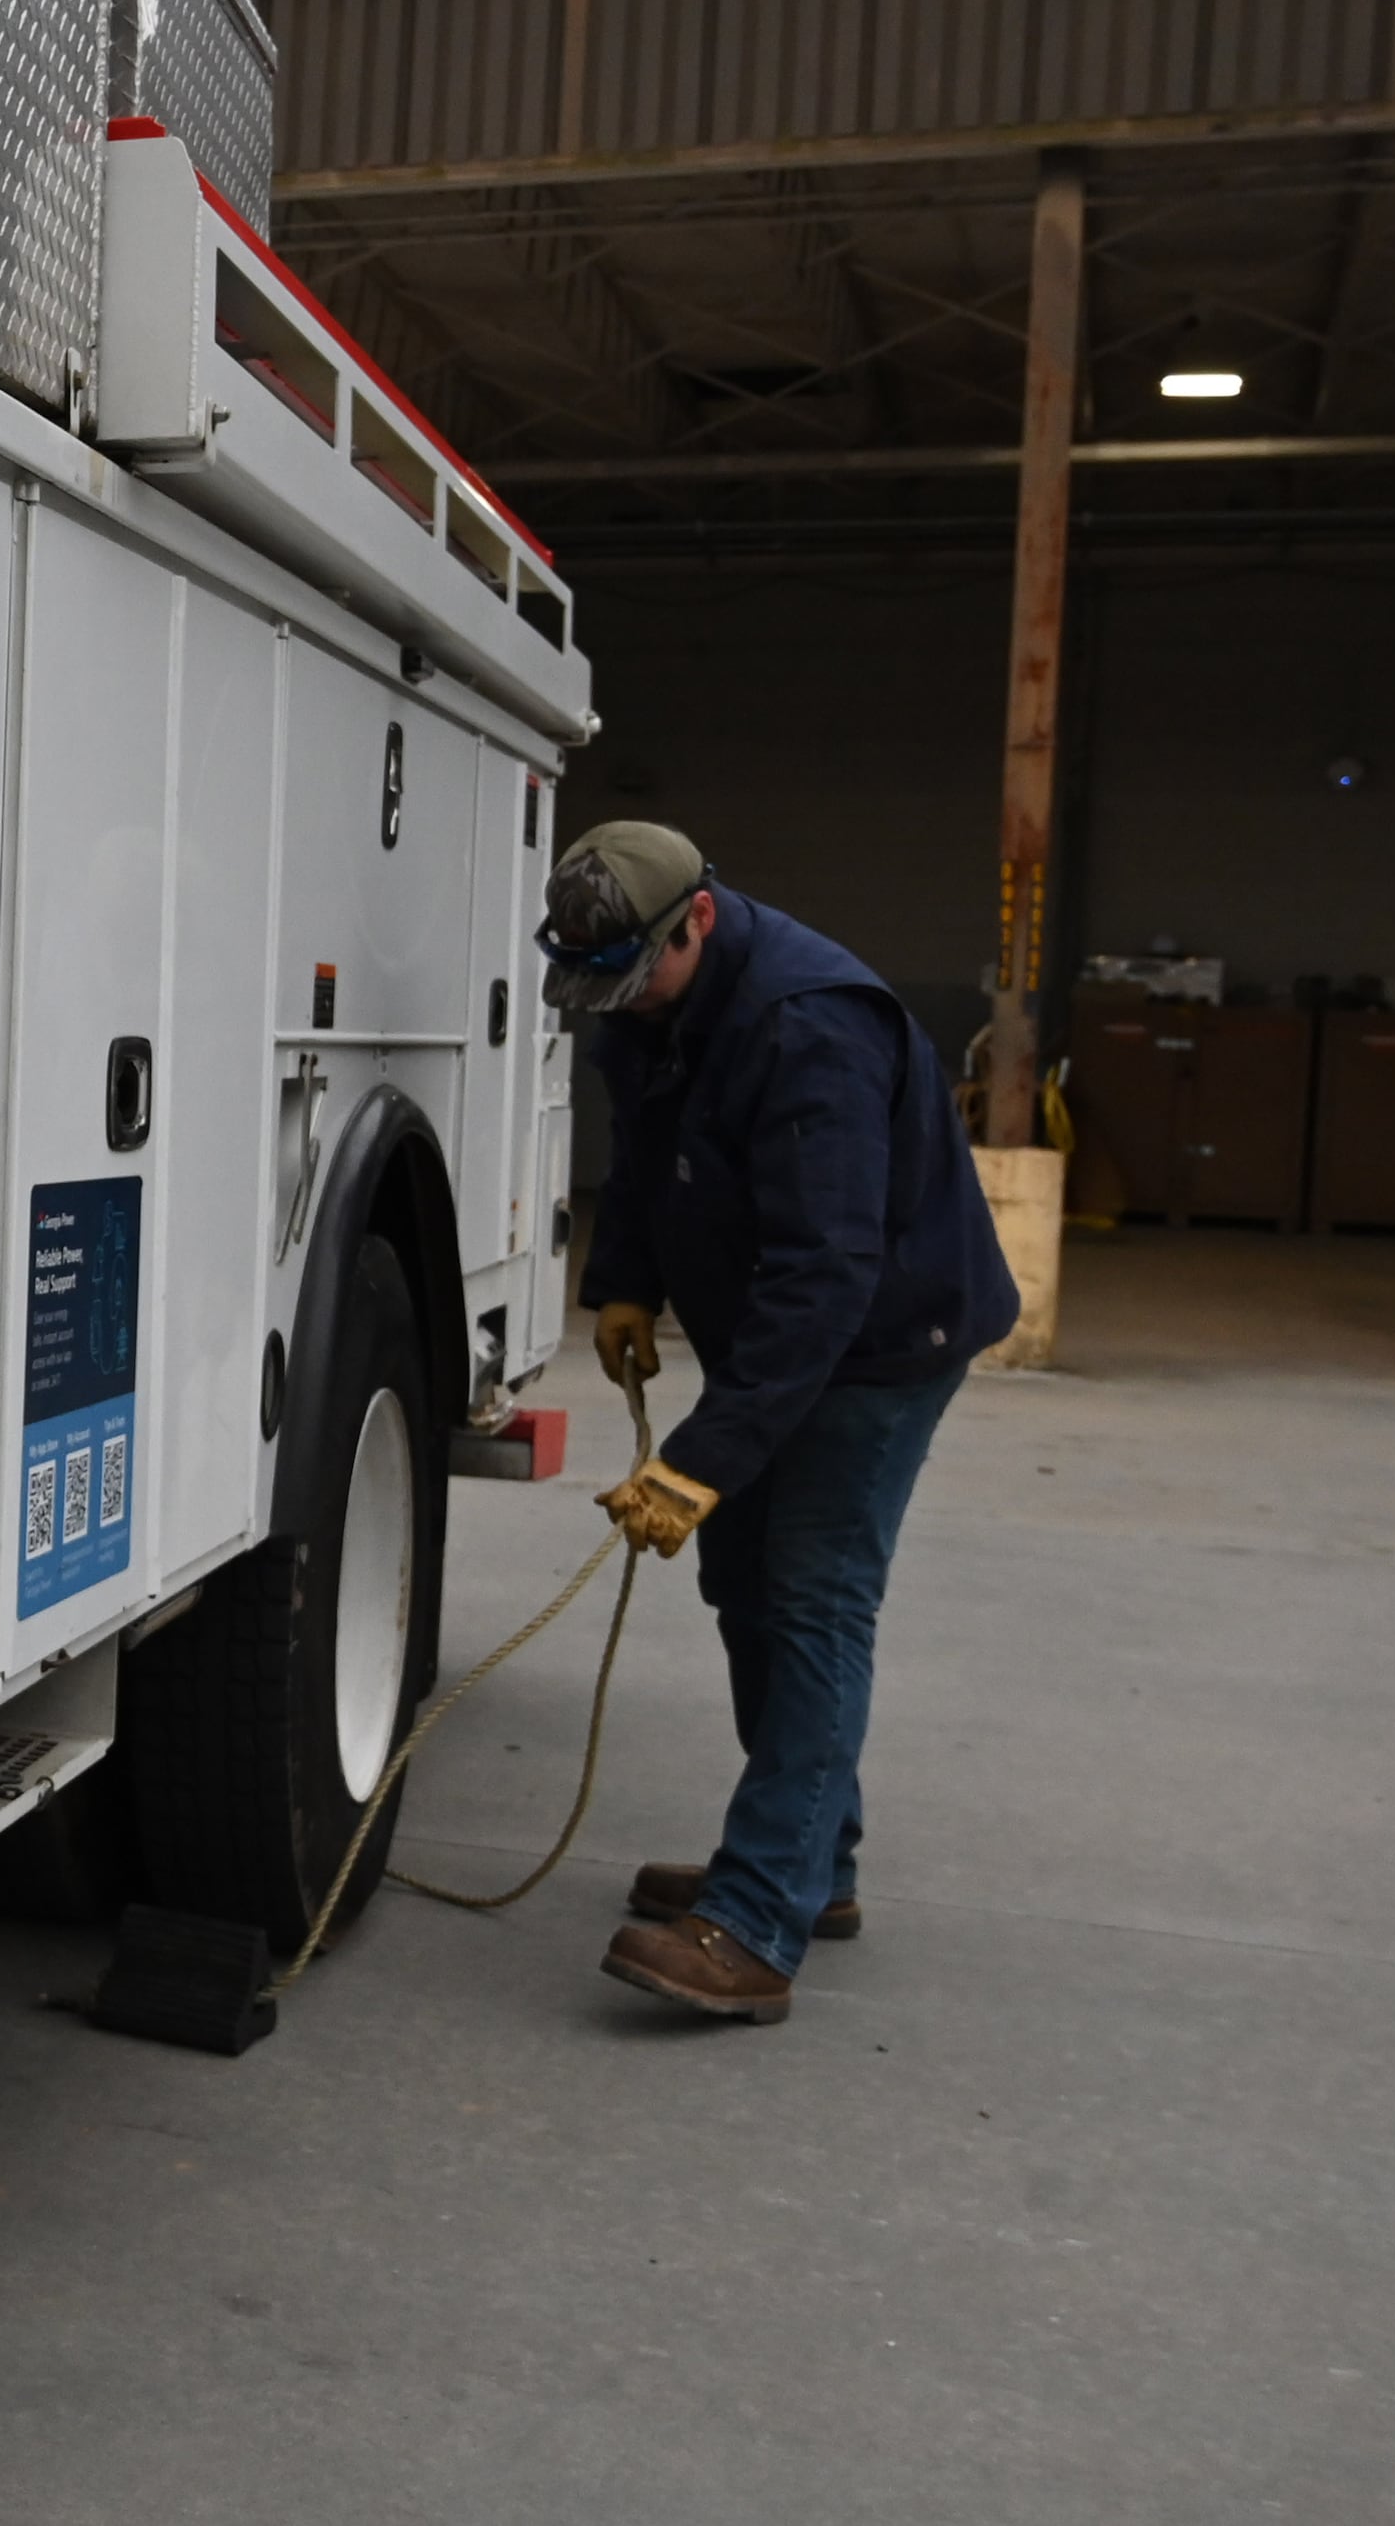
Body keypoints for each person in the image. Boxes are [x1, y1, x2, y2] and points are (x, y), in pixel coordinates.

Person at [540, 821, 1020, 2024]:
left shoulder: (810, 1028)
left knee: (809, 1597)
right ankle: (816, 1861)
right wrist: (627, 1281)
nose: (619, 1001)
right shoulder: (647, 1002)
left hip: (881, 1341)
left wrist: (701, 1458)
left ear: (697, 920)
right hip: (786, 1327)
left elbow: (827, 1274)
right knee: (742, 1583)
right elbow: (645, 1156)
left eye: (633, 975)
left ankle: (758, 1919)